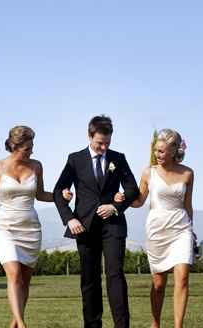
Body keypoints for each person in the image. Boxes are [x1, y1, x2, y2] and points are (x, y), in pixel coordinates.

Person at [53, 115, 139, 328]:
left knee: (115, 275)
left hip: (114, 226)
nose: (103, 147)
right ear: (89, 136)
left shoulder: (118, 159)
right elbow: (58, 191)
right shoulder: (75, 159)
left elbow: (132, 189)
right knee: (89, 280)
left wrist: (115, 206)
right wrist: (69, 218)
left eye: (107, 143)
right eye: (100, 143)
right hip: (84, 227)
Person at [0, 126, 68, 328]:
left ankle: (14, 322)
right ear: (14, 146)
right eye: (27, 148)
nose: (31, 152)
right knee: (14, 275)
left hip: (30, 229)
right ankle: (22, 324)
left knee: (24, 282)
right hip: (5, 227)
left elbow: (40, 195)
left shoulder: (36, 166)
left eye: (31, 147)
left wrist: (59, 196)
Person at [114, 129, 194, 328]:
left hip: (181, 228)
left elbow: (188, 205)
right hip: (157, 230)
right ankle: (155, 322)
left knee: (182, 278)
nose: (158, 155)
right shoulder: (149, 172)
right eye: (156, 151)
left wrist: (191, 230)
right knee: (158, 284)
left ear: (174, 150)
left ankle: (178, 326)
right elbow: (140, 201)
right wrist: (123, 198)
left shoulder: (187, 173)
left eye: (162, 151)